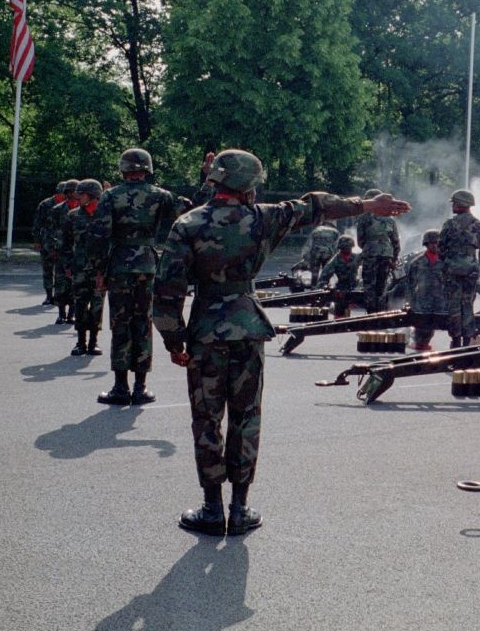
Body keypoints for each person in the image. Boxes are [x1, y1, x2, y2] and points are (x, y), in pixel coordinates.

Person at [153, 149, 410, 536]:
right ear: (248, 186)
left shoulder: (187, 225)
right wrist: (366, 204)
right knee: (246, 416)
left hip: (206, 332)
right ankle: (239, 508)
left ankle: (211, 508)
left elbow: (167, 292)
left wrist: (174, 341)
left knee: (207, 419)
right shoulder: (265, 218)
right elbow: (315, 206)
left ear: (215, 182)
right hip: (249, 329)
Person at [91, 149, 182, 406]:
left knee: (121, 324)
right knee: (143, 323)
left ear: (123, 169)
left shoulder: (110, 196)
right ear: (147, 169)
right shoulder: (160, 195)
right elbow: (188, 211)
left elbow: (99, 235)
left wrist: (99, 270)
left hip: (119, 265)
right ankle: (141, 388)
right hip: (148, 265)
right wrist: (208, 182)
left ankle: (121, 387)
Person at [436, 189, 480, 348]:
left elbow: (440, 248)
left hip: (452, 270)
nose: (452, 205)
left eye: (454, 202)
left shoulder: (449, 224)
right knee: (468, 304)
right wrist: (479, 268)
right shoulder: (478, 225)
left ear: (461, 204)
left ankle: (455, 340)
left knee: (453, 305)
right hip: (471, 270)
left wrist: (446, 265)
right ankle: (467, 341)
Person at [63, 180, 106, 357]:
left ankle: (93, 342)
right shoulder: (73, 216)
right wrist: (67, 265)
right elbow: (66, 242)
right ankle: (80, 342)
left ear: (92, 195)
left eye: (81, 194)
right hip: (79, 267)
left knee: (97, 306)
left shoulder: (106, 216)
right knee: (80, 304)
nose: (77, 197)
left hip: (99, 270)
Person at [405, 230, 455, 351]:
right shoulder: (416, 263)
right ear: (426, 244)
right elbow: (410, 285)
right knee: (422, 336)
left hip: (443, 304)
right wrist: (410, 303)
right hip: (423, 304)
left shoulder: (447, 262)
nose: (435, 245)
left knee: (454, 331)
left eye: (437, 243)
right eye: (431, 243)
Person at [355, 189, 401, 312]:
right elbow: (396, 242)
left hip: (371, 253)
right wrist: (394, 258)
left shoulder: (363, 217)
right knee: (382, 285)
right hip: (387, 255)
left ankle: (370, 314)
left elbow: (360, 240)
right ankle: (380, 313)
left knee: (369, 285)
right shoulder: (390, 219)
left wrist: (368, 248)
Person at [46, 180, 80, 324]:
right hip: (61, 250)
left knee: (75, 283)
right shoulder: (57, 209)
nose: (72, 194)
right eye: (70, 191)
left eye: (75, 191)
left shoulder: (83, 210)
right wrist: (52, 249)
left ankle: (72, 313)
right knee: (60, 283)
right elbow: (50, 231)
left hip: (78, 251)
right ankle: (61, 313)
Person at [33, 182, 67, 303]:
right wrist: (37, 240)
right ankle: (48, 295)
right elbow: (38, 222)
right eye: (64, 192)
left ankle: (58, 296)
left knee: (60, 271)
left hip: (63, 242)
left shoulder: (68, 205)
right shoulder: (45, 204)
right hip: (47, 241)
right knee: (47, 270)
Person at [317, 234, 363, 318]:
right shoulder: (335, 261)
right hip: (342, 287)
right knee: (339, 303)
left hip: (355, 286)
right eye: (345, 247)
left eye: (349, 247)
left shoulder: (356, 257)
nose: (348, 249)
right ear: (341, 248)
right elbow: (324, 277)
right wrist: (325, 287)